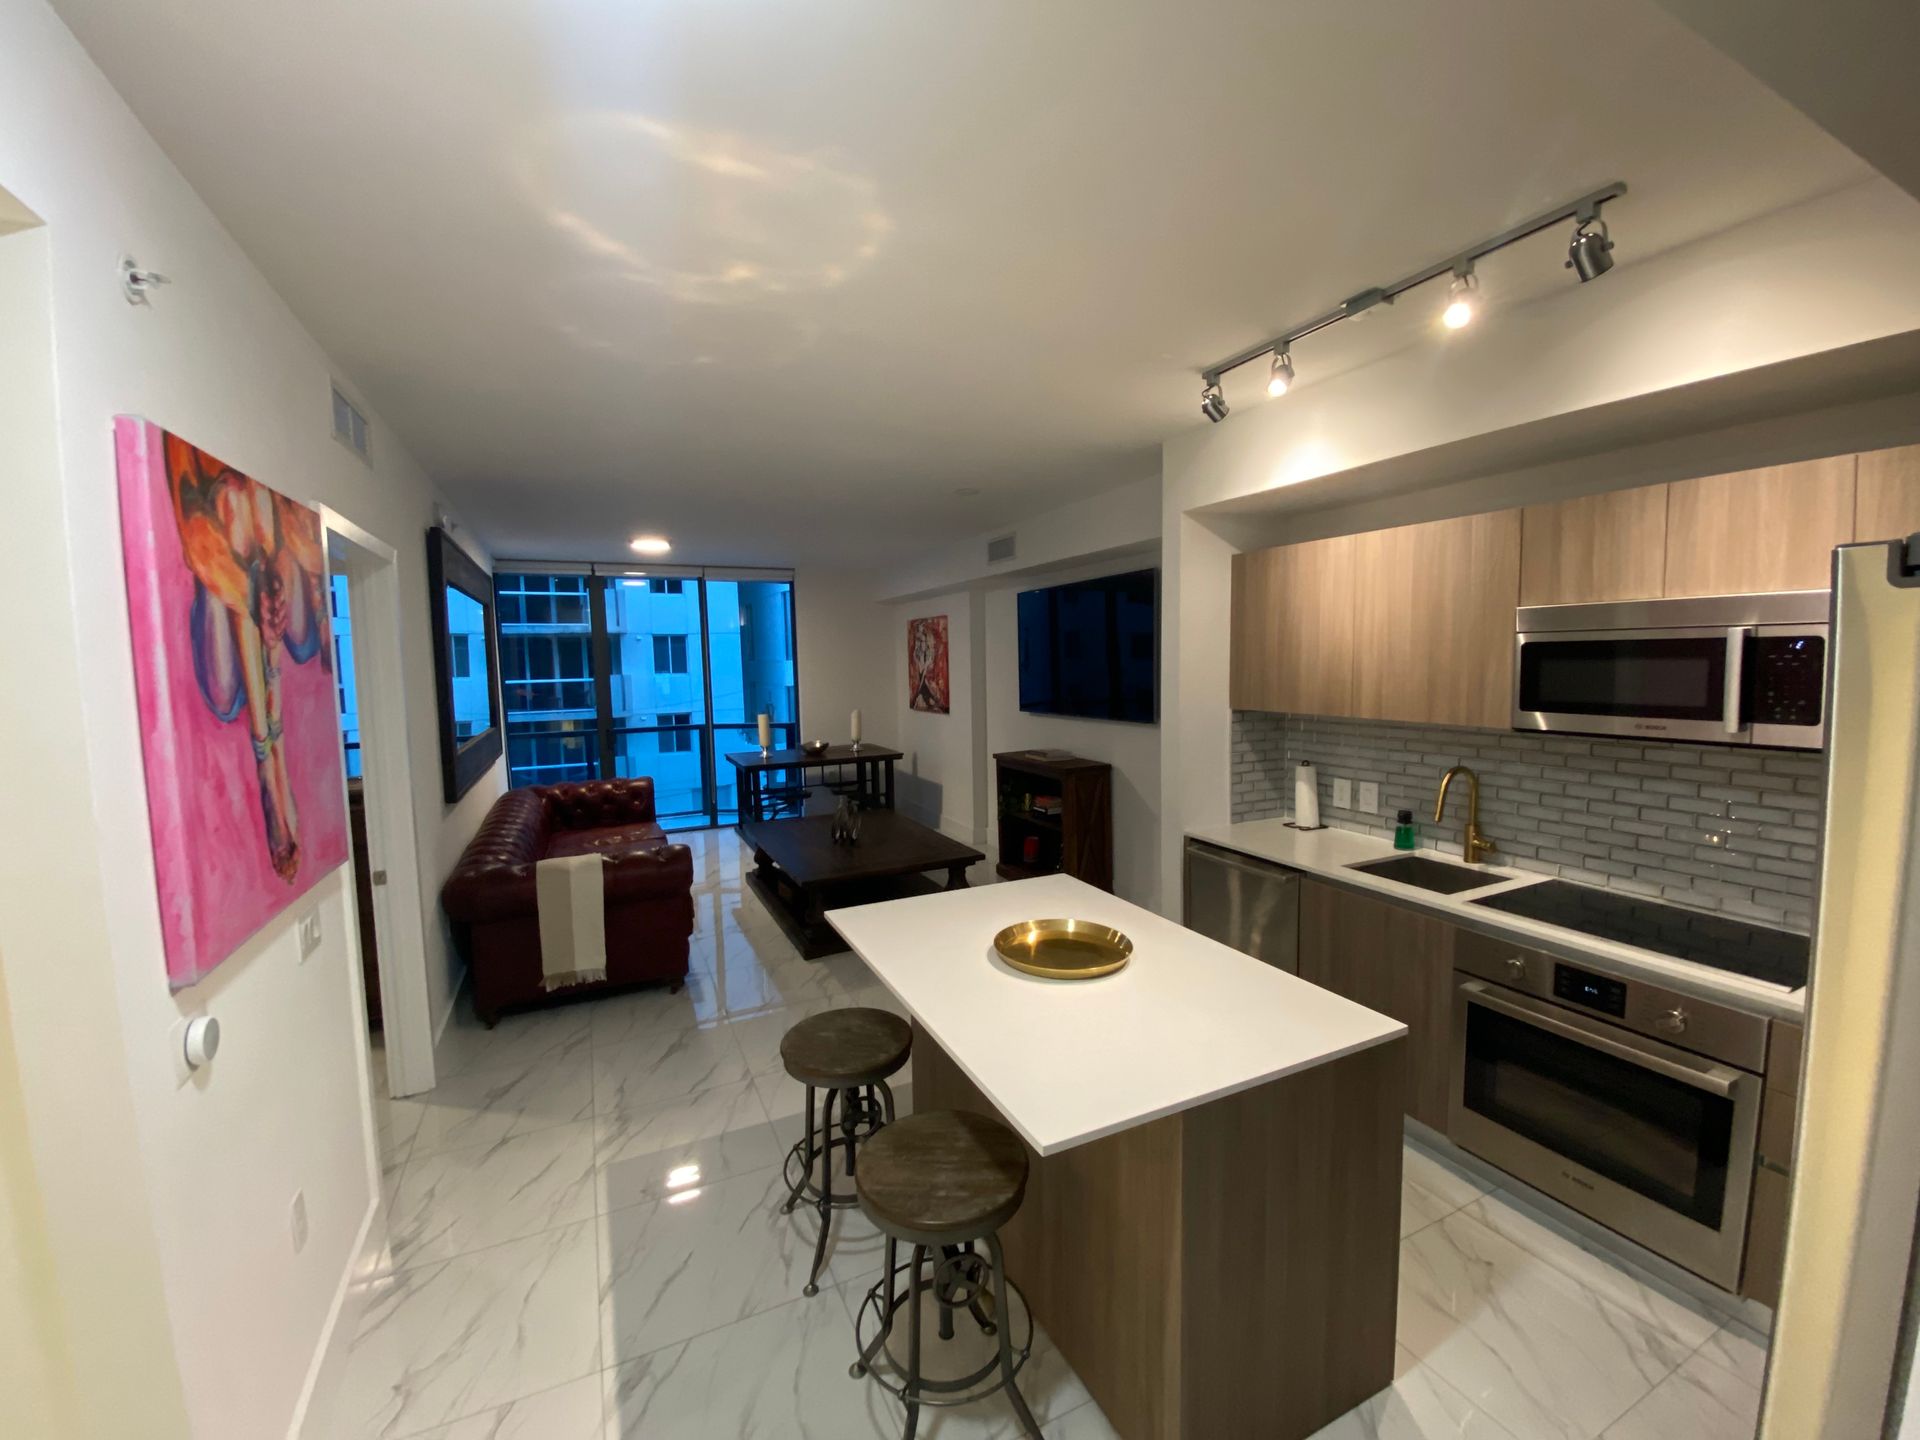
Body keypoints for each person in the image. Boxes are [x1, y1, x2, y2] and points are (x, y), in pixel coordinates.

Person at [165, 432, 330, 881]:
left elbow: (311, 545)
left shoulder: (280, 513)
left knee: (247, 503)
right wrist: (251, 588)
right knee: (236, 502)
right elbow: (195, 537)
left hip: (283, 628)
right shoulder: (205, 477)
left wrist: (278, 572)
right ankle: (267, 759)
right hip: (225, 662)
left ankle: (268, 757)